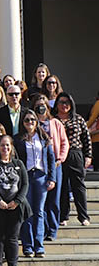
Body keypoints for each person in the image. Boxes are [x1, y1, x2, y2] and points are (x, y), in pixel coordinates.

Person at [0, 136, 30, 266]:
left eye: (7, 145)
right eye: (2, 145)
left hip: (15, 207)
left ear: (11, 147)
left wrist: (17, 201)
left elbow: (25, 184)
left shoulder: (19, 164)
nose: (5, 148)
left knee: (12, 238)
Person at [15, 110, 56, 258]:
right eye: (27, 120)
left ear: (37, 121)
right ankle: (28, 246)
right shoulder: (18, 139)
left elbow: (51, 158)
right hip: (26, 176)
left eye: (32, 120)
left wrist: (52, 178)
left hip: (40, 176)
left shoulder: (44, 138)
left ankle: (39, 245)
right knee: (27, 212)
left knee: (39, 211)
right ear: (23, 123)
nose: (30, 123)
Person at [55, 92, 92, 226]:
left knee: (78, 186)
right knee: (63, 186)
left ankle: (83, 216)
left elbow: (86, 139)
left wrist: (88, 156)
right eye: (61, 102)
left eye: (67, 102)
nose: (64, 105)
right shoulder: (54, 120)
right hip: (59, 156)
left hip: (76, 154)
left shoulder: (78, 119)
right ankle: (63, 216)